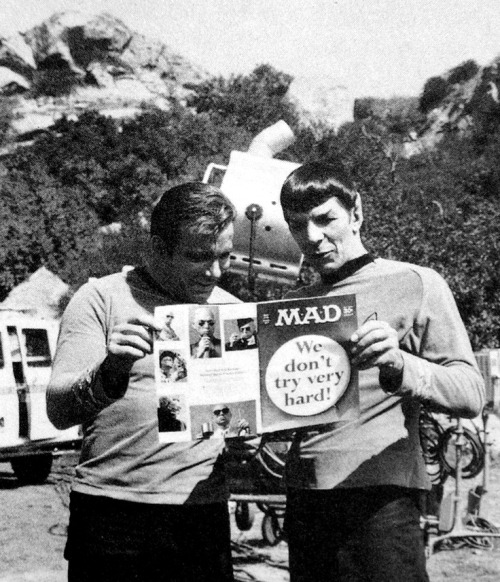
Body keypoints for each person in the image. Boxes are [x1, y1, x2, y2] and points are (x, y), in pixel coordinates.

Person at [278, 160, 485, 582]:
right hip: (305, 503)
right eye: (298, 225)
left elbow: (471, 393)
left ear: (357, 213)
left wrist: (399, 363)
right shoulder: (292, 304)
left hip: (381, 502)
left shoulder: (415, 282)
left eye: (325, 219)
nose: (313, 237)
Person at [46, 182, 237, 582]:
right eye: (198, 257)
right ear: (158, 247)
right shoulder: (101, 297)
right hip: (113, 511)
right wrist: (109, 371)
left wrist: (255, 429)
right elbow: (58, 411)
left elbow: (235, 429)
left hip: (199, 511)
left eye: (224, 256)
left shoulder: (231, 312)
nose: (215, 273)